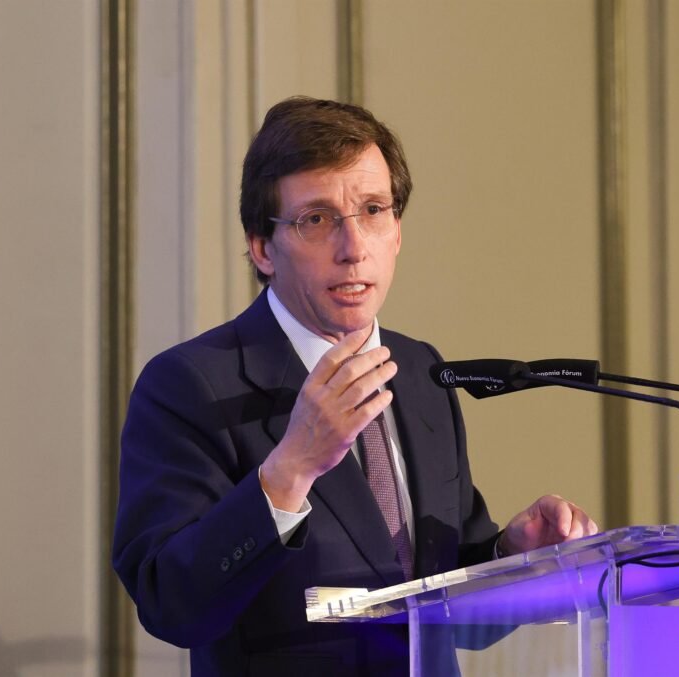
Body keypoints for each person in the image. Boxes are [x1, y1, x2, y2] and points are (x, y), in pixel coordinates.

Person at [113, 96, 598, 676]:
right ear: (263, 249)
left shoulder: (419, 370)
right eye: (316, 220)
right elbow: (170, 604)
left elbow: (437, 593)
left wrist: (512, 555)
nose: (353, 248)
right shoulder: (190, 384)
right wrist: (290, 470)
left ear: (397, 232)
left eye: (373, 211)